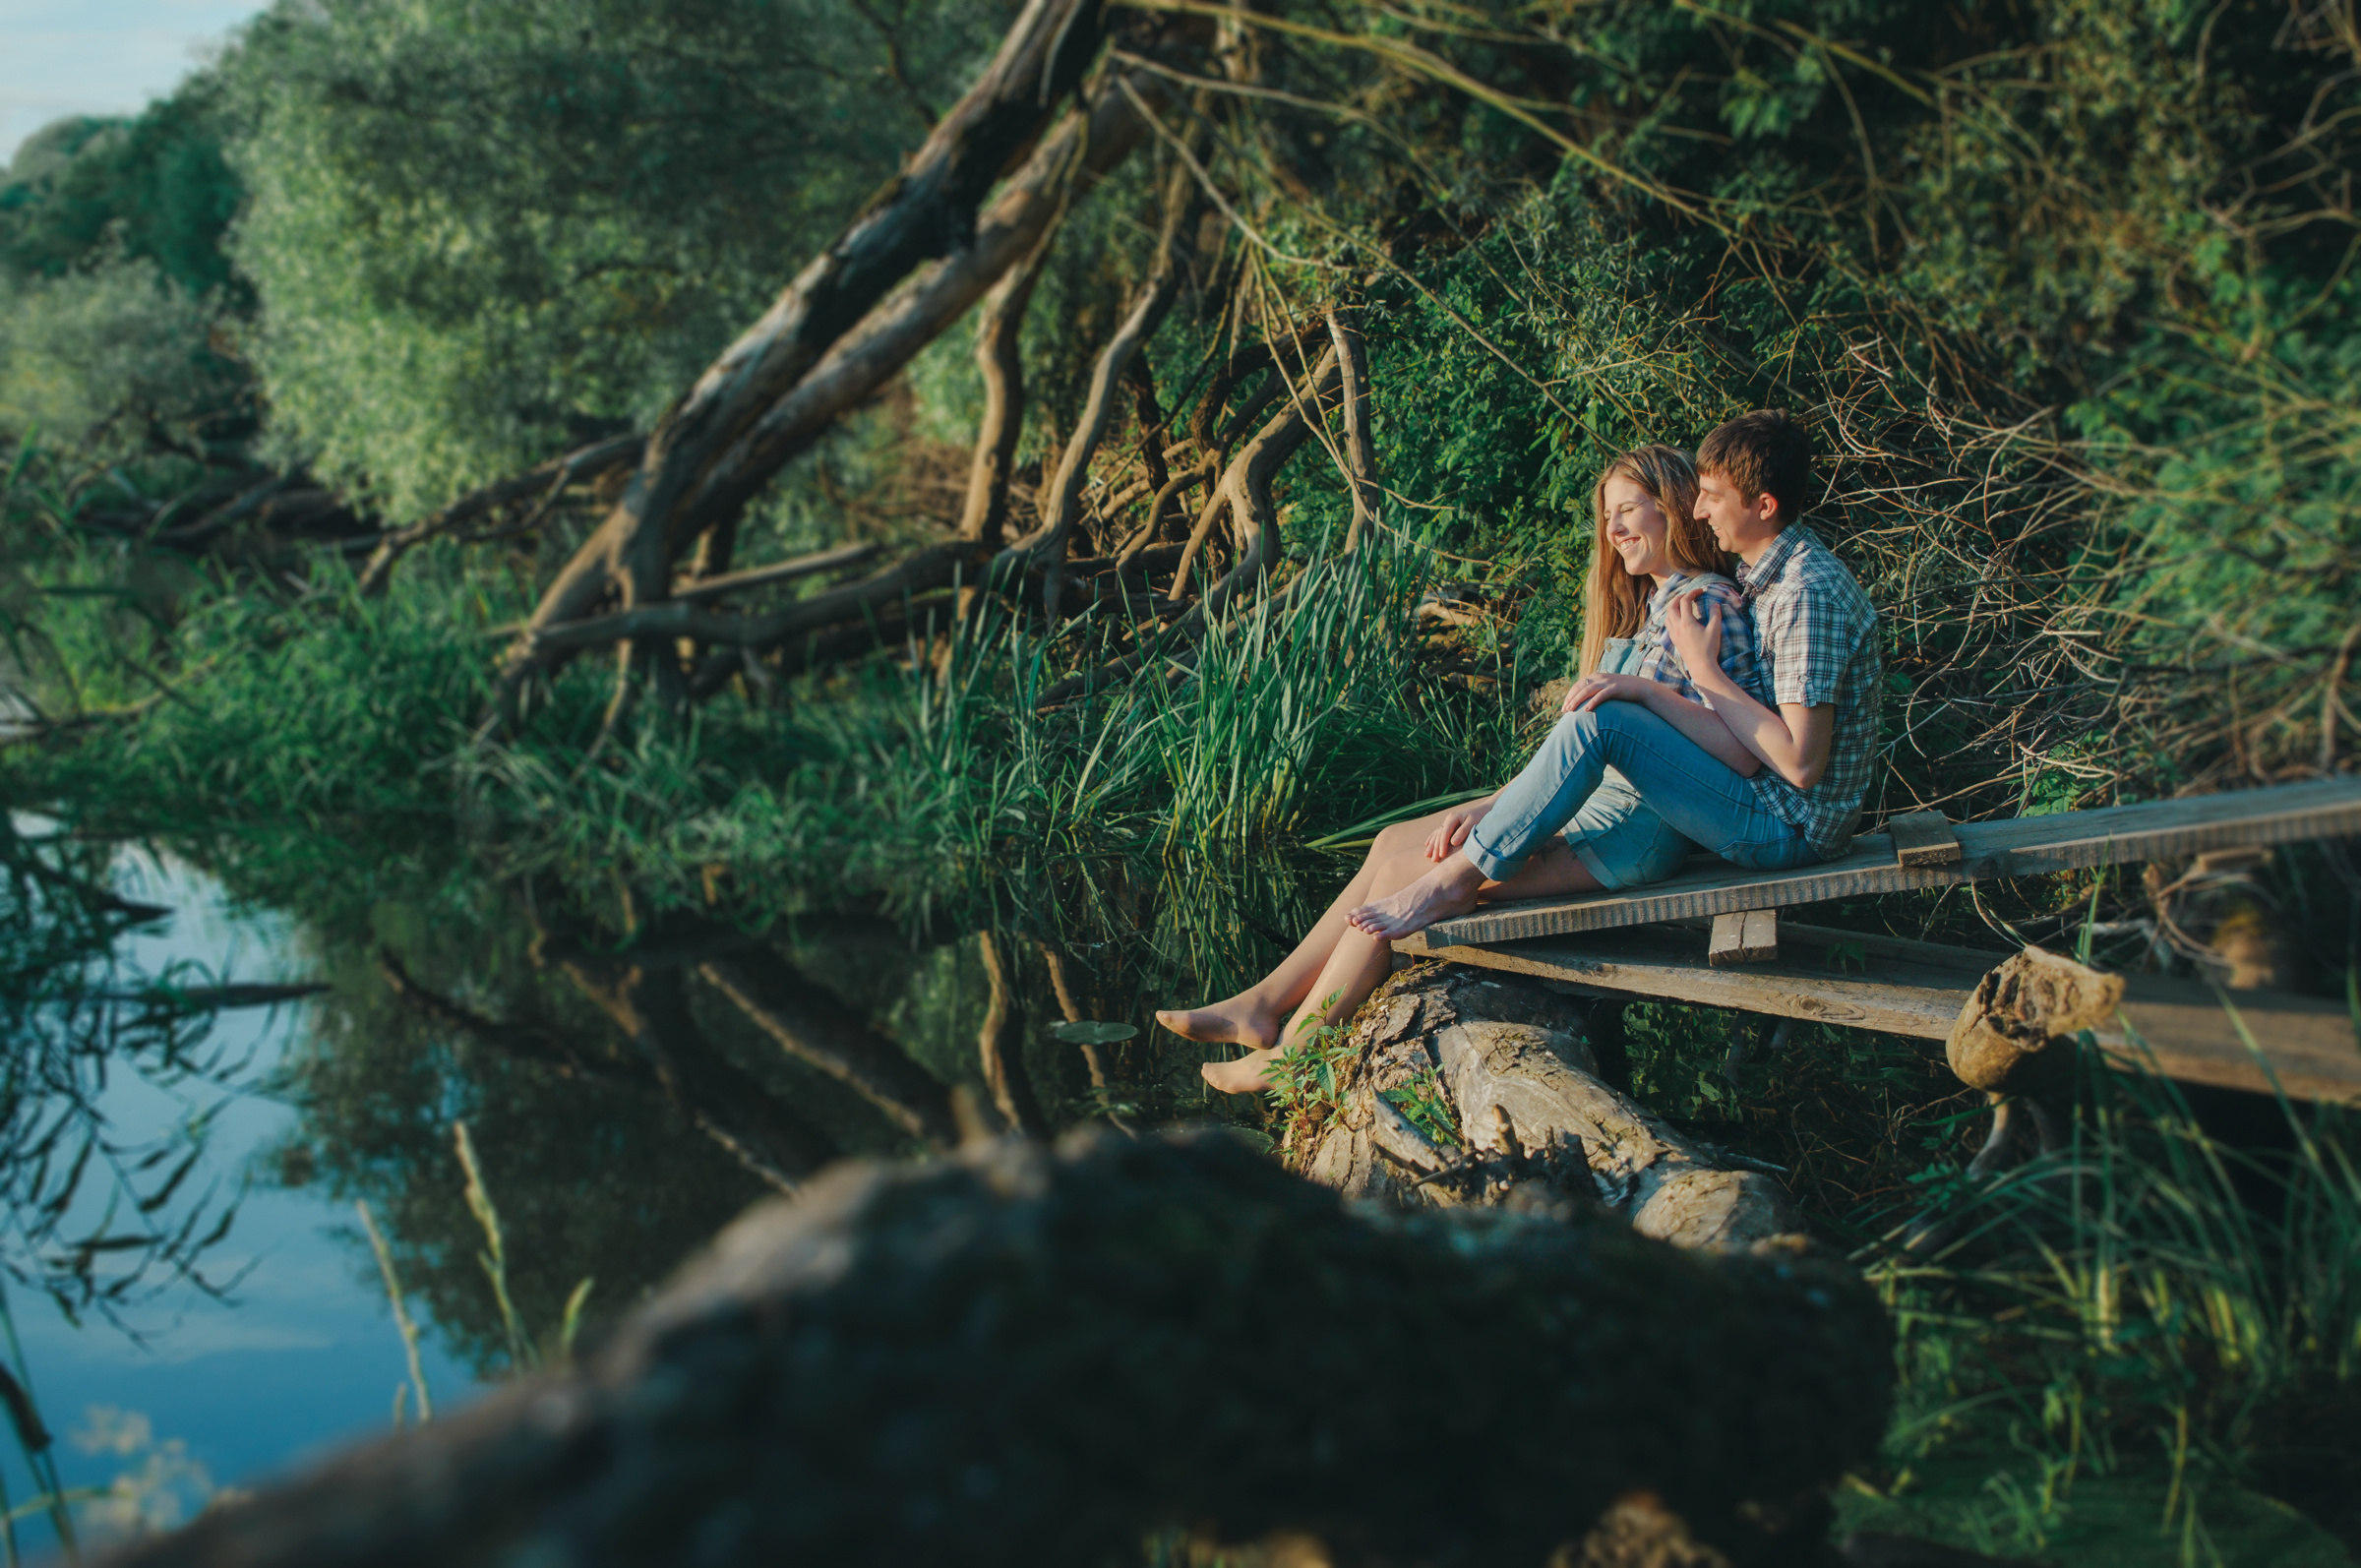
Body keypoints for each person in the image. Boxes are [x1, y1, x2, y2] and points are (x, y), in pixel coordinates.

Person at [1161, 443, 1773, 1093]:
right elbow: (1569, 756)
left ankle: (1294, 1057)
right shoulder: (1658, 604)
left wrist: (1502, 815)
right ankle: (1264, 1002)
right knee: (1391, 842)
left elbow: (1720, 747)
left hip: (1632, 830)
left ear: (1674, 508)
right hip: (1598, 805)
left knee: (1405, 872)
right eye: (1607, 516)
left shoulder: (1701, 607)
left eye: (1628, 511)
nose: (1613, 530)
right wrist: (1491, 807)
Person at [1345, 408, 1882, 942]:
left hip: (1790, 828)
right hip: (1766, 806)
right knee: (1603, 720)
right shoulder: (1769, 579)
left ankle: (1458, 881)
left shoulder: (1803, 593)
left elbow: (1801, 764)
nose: (1697, 510)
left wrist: (1697, 672)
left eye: (1712, 497)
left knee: (1605, 722)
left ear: (1763, 506)